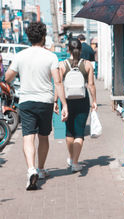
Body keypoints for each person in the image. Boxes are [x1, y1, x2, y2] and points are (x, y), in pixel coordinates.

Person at [5, 22, 68, 190]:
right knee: (43, 136)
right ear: (43, 37)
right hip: (45, 101)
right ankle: (40, 169)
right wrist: (64, 104)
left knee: (28, 137)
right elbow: (58, 82)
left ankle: (31, 169)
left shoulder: (20, 55)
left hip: (26, 101)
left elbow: (8, 77)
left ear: (28, 36)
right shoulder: (51, 57)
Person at [54, 38, 97, 172]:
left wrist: (55, 101)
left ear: (68, 49)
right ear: (81, 49)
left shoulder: (62, 65)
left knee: (69, 131)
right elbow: (91, 85)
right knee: (79, 133)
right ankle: (75, 162)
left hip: (67, 101)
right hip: (82, 100)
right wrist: (94, 101)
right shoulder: (87, 64)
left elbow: (58, 85)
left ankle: (72, 158)